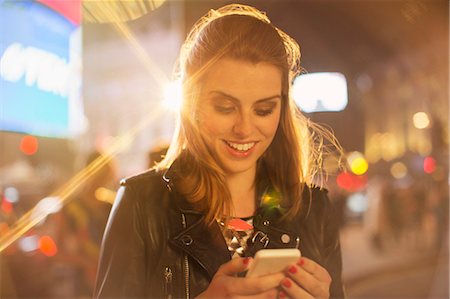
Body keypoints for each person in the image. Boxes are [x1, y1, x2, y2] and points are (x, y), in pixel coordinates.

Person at [94, 4, 345, 299]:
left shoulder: (314, 210)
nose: (244, 129)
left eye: (264, 110)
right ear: (191, 103)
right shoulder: (142, 204)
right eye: (225, 107)